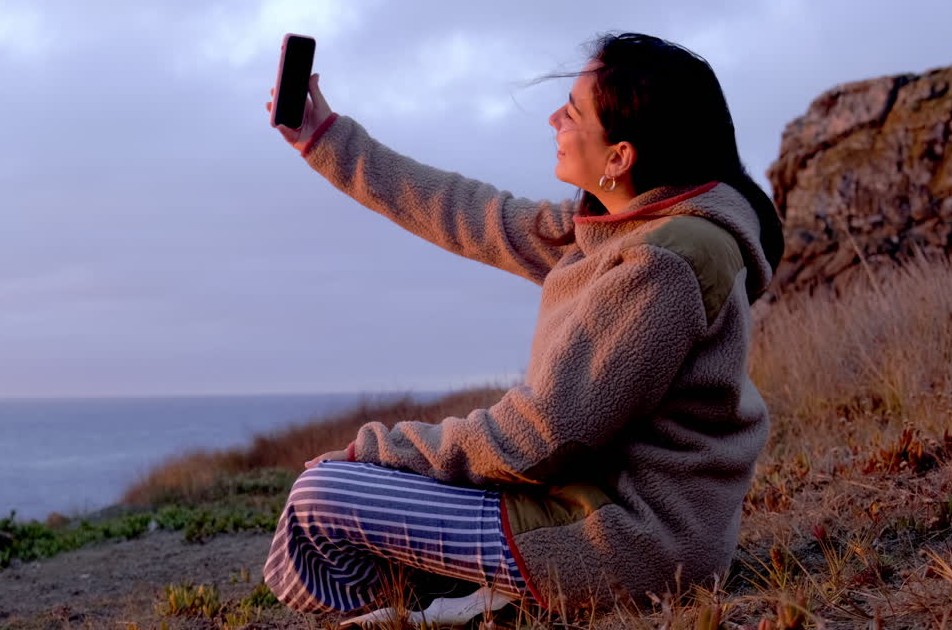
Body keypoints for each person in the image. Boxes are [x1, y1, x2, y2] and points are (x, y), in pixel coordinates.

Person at [260, 32, 783, 621]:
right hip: (579, 498)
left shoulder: (662, 261)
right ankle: (453, 598)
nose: (555, 117)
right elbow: (466, 212)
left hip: (624, 540)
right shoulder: (617, 227)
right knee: (345, 498)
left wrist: (379, 450)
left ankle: (428, 605)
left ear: (619, 158)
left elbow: (545, 434)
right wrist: (327, 141)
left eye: (575, 112)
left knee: (319, 498)